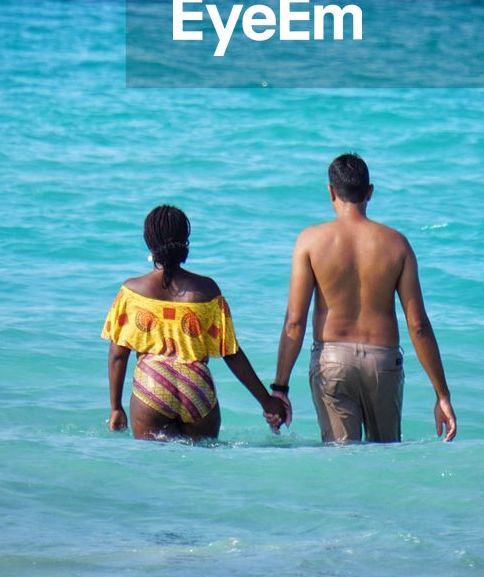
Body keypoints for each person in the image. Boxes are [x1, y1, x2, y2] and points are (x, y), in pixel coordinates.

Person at [270, 153, 456, 444]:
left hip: (332, 362)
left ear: (331, 191)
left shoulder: (310, 241)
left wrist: (280, 387)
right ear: (369, 191)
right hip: (383, 363)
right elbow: (418, 325)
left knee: (341, 464)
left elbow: (295, 323)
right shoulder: (397, 244)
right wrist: (442, 395)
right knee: (385, 458)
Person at [102, 204, 288, 440]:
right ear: (185, 240)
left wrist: (116, 407)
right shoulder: (207, 290)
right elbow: (231, 353)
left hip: (152, 385)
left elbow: (118, 354)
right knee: (199, 470)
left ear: (149, 242)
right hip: (197, 388)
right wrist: (267, 401)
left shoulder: (132, 292)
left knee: (151, 471)